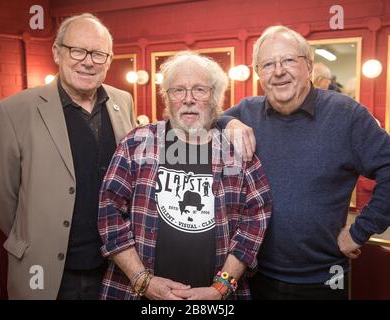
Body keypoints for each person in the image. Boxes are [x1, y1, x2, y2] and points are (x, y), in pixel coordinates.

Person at [221, 25, 390, 300]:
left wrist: (360, 231)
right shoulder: (247, 111)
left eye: (288, 60)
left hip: (322, 278)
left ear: (308, 66)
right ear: (258, 74)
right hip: (254, 275)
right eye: (267, 64)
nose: (278, 71)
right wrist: (229, 123)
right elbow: (205, 125)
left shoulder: (346, 115)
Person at [0, 13, 137, 299]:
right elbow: (0, 191)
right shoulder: (16, 110)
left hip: (114, 266)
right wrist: (34, 234)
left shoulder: (122, 101)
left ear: (109, 59)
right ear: (57, 52)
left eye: (98, 54)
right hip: (48, 270)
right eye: (77, 50)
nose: (88, 61)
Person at [98, 51, 272, 300]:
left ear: (214, 96)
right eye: (178, 90)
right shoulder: (136, 143)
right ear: (167, 97)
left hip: (215, 297)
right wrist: (142, 280)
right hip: (136, 293)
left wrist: (221, 288)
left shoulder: (236, 150)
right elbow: (109, 213)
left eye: (200, 90)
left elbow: (255, 220)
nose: (188, 99)